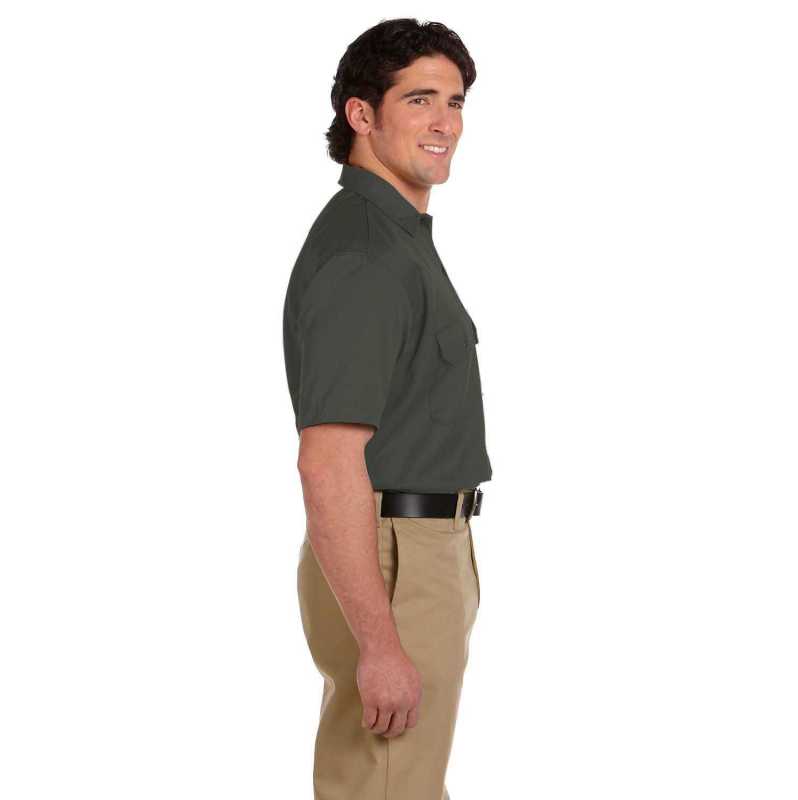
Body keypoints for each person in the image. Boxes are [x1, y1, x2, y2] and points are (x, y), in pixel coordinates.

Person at [282, 18, 492, 800]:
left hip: (417, 549)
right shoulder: (366, 255)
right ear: (361, 114)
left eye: (455, 102)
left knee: (400, 782)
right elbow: (327, 461)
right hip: (396, 556)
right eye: (419, 99)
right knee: (387, 784)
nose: (445, 123)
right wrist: (379, 644)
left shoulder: (397, 238)